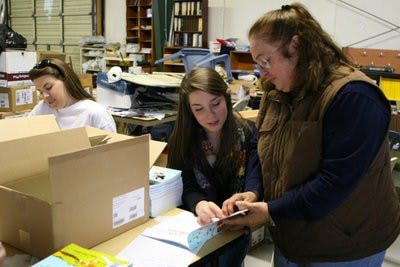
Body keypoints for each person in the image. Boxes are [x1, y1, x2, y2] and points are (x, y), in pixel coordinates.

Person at [222, 3, 400, 267]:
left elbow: (333, 184)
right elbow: (263, 149)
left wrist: (270, 211)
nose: (261, 71)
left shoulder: (353, 97)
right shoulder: (277, 90)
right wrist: (253, 192)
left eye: (265, 60)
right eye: (256, 62)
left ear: (295, 47)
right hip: (293, 236)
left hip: (345, 247)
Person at [167, 67, 263, 266]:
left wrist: (251, 195)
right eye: (198, 108)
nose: (210, 115)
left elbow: (256, 176)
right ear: (190, 111)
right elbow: (184, 185)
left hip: (235, 234)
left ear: (226, 98)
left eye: (215, 103)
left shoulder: (247, 133)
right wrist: (199, 204)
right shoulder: (183, 140)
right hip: (198, 232)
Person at [28, 58, 116, 132]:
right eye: (40, 92)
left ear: (66, 81)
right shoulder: (42, 109)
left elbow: (113, 150)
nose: (45, 96)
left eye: (48, 87)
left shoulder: (96, 113)